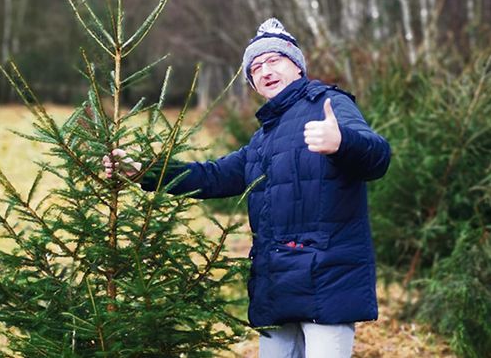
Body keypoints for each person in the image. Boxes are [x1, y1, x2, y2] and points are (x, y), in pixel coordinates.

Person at [104, 18, 391, 357]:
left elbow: (378, 157)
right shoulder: (262, 140)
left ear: (297, 66)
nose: (265, 70)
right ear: (252, 83)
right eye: (255, 67)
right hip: (276, 282)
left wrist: (342, 142)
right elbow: (211, 176)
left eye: (274, 60)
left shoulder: (328, 104)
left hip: (327, 278)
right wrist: (144, 172)